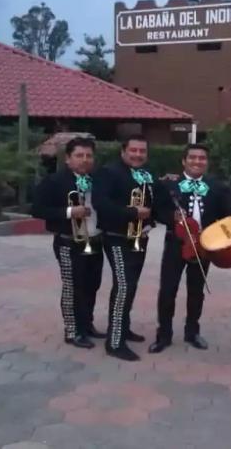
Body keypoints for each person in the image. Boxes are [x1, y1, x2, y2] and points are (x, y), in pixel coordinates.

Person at [148, 144, 231, 353]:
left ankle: (192, 332)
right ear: (184, 161)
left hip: (203, 246)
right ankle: (164, 335)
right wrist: (170, 218)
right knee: (168, 290)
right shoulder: (169, 185)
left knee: (196, 291)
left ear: (207, 162)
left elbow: (227, 213)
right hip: (176, 245)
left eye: (202, 158)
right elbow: (156, 211)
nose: (197, 162)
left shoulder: (217, 186)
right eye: (192, 158)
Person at [32, 137, 104, 349]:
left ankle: (87, 325)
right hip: (68, 242)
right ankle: (72, 331)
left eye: (89, 155)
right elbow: (37, 209)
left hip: (96, 240)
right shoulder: (54, 181)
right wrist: (70, 211)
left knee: (92, 285)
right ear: (68, 159)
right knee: (73, 287)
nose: (84, 160)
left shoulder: (98, 180)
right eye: (79, 155)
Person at [92, 135, 155, 361]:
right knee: (123, 286)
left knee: (131, 286)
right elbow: (100, 203)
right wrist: (132, 212)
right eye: (134, 150)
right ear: (123, 151)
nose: (138, 155)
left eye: (142, 151)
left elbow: (153, 202)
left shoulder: (147, 174)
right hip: (117, 237)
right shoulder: (108, 172)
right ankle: (114, 341)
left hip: (139, 237)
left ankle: (124, 328)